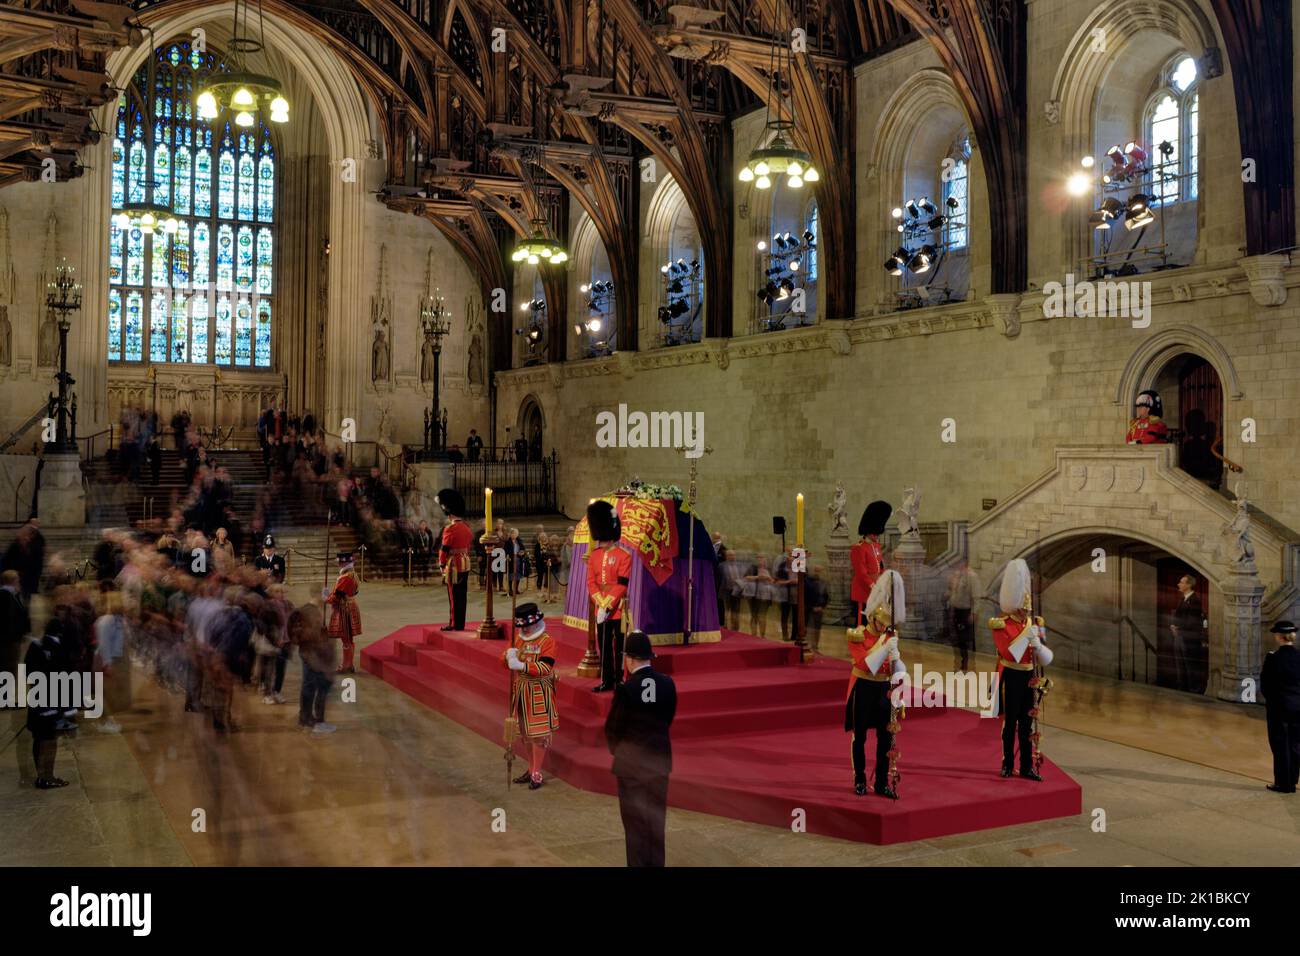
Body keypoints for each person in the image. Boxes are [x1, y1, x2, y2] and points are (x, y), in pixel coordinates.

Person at [604, 630, 677, 867]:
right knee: (656, 824)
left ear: (629, 659)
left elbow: (613, 728)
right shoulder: (667, 683)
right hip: (659, 764)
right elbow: (668, 717)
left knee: (635, 826)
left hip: (631, 767)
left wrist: (620, 752)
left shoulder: (626, 689)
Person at [990, 558, 1054, 781]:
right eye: (1023, 608)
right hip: (1012, 675)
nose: (1026, 611)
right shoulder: (1001, 624)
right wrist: (1029, 636)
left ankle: (1026, 766)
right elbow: (1010, 653)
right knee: (1011, 724)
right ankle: (1008, 763)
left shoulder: (1036, 622)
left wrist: (1039, 646)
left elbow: (1047, 658)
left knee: (1027, 723)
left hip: (1030, 675)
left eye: (1028, 608)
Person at [845, 570, 906, 798]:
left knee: (886, 737)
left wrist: (899, 691)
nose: (883, 627)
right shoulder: (858, 635)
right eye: (880, 623)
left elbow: (897, 670)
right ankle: (860, 779)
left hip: (884, 689)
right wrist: (885, 648)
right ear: (872, 618)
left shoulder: (891, 636)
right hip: (863, 687)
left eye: (885, 624)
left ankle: (881, 781)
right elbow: (866, 664)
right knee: (860, 736)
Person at [502, 602, 558, 789]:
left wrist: (522, 666)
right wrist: (507, 657)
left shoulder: (547, 641)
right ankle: (530, 767)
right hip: (521, 692)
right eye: (522, 626)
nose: (524, 629)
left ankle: (537, 772)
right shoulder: (518, 640)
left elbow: (545, 667)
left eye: (527, 626)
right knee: (525, 734)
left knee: (539, 734)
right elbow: (506, 662)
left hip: (538, 692)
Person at [586, 500, 631, 693]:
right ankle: (607, 680)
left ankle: (620, 679)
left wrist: (607, 605)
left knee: (619, 645)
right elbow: (591, 582)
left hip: (617, 608)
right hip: (600, 608)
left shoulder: (624, 555)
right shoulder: (594, 555)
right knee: (603, 646)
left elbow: (622, 584)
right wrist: (600, 603)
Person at [25, 617, 71, 788]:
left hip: (37, 700)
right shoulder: (59, 648)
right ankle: (47, 777)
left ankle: (41, 775)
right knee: (49, 740)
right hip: (52, 702)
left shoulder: (35, 646)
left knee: (38, 738)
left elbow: (28, 673)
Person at [1261, 620, 1300, 793]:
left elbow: (1265, 686)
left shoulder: (1273, 658)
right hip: (1298, 707)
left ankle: (1284, 783)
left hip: (1279, 708)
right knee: (1295, 744)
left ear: (1278, 637)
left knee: (1280, 744)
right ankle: (1293, 779)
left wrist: (1272, 701)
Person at [291, 601, 337, 735]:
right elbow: (323, 647)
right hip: (316, 663)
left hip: (311, 660)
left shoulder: (302, 629)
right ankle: (319, 722)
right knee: (320, 692)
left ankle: (305, 718)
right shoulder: (311, 631)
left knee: (308, 690)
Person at [436, 489, 472, 631]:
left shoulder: (450, 528)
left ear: (449, 514)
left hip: (454, 565)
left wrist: (442, 564)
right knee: (462, 594)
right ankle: (461, 623)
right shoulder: (466, 527)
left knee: (453, 595)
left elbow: (444, 549)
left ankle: (454, 623)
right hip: (465, 562)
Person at [850, 501, 890, 625]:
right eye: (875, 533)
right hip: (864, 591)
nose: (877, 536)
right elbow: (861, 573)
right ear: (869, 530)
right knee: (863, 625)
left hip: (876, 590)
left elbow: (880, 567)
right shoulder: (858, 548)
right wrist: (874, 586)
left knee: (874, 624)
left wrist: (884, 581)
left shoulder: (876, 546)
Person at [326, 552, 361, 674]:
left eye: (341, 562)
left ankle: (346, 665)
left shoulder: (345, 577)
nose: (339, 564)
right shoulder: (352, 574)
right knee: (348, 638)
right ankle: (349, 664)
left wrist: (325, 597)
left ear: (345, 562)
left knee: (345, 638)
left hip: (344, 608)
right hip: (350, 605)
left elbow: (336, 596)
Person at [1170, 574, 1204, 692]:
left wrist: (1177, 628)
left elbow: (1192, 621)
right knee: (1180, 665)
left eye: (1181, 582)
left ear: (1189, 585)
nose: (1179, 584)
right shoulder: (1182, 599)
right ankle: (1182, 689)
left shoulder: (1195, 600)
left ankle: (1193, 690)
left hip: (1188, 638)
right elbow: (1177, 616)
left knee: (1190, 665)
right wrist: (1173, 625)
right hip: (1179, 636)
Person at [946, 560, 979, 671]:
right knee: (958, 639)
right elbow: (952, 592)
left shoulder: (971, 576)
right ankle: (960, 662)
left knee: (967, 639)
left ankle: (969, 663)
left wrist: (974, 612)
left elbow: (976, 596)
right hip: (956, 610)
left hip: (966, 611)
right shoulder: (957, 575)